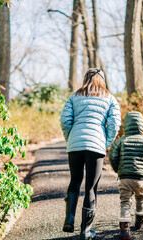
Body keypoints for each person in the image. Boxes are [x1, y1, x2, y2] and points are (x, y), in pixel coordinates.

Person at [60, 68, 121, 240]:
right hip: (96, 146)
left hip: (75, 146)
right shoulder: (109, 98)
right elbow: (115, 123)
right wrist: (105, 143)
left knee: (75, 180)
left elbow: (65, 121)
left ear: (85, 79)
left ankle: (69, 220)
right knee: (91, 188)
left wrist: (71, 139)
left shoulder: (74, 97)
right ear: (102, 80)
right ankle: (86, 231)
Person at [109, 111, 143, 240]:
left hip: (125, 177)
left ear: (126, 125)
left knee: (125, 201)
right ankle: (139, 222)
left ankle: (125, 229)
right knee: (140, 198)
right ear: (142, 125)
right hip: (140, 178)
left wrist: (118, 170)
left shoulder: (120, 142)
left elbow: (112, 157)